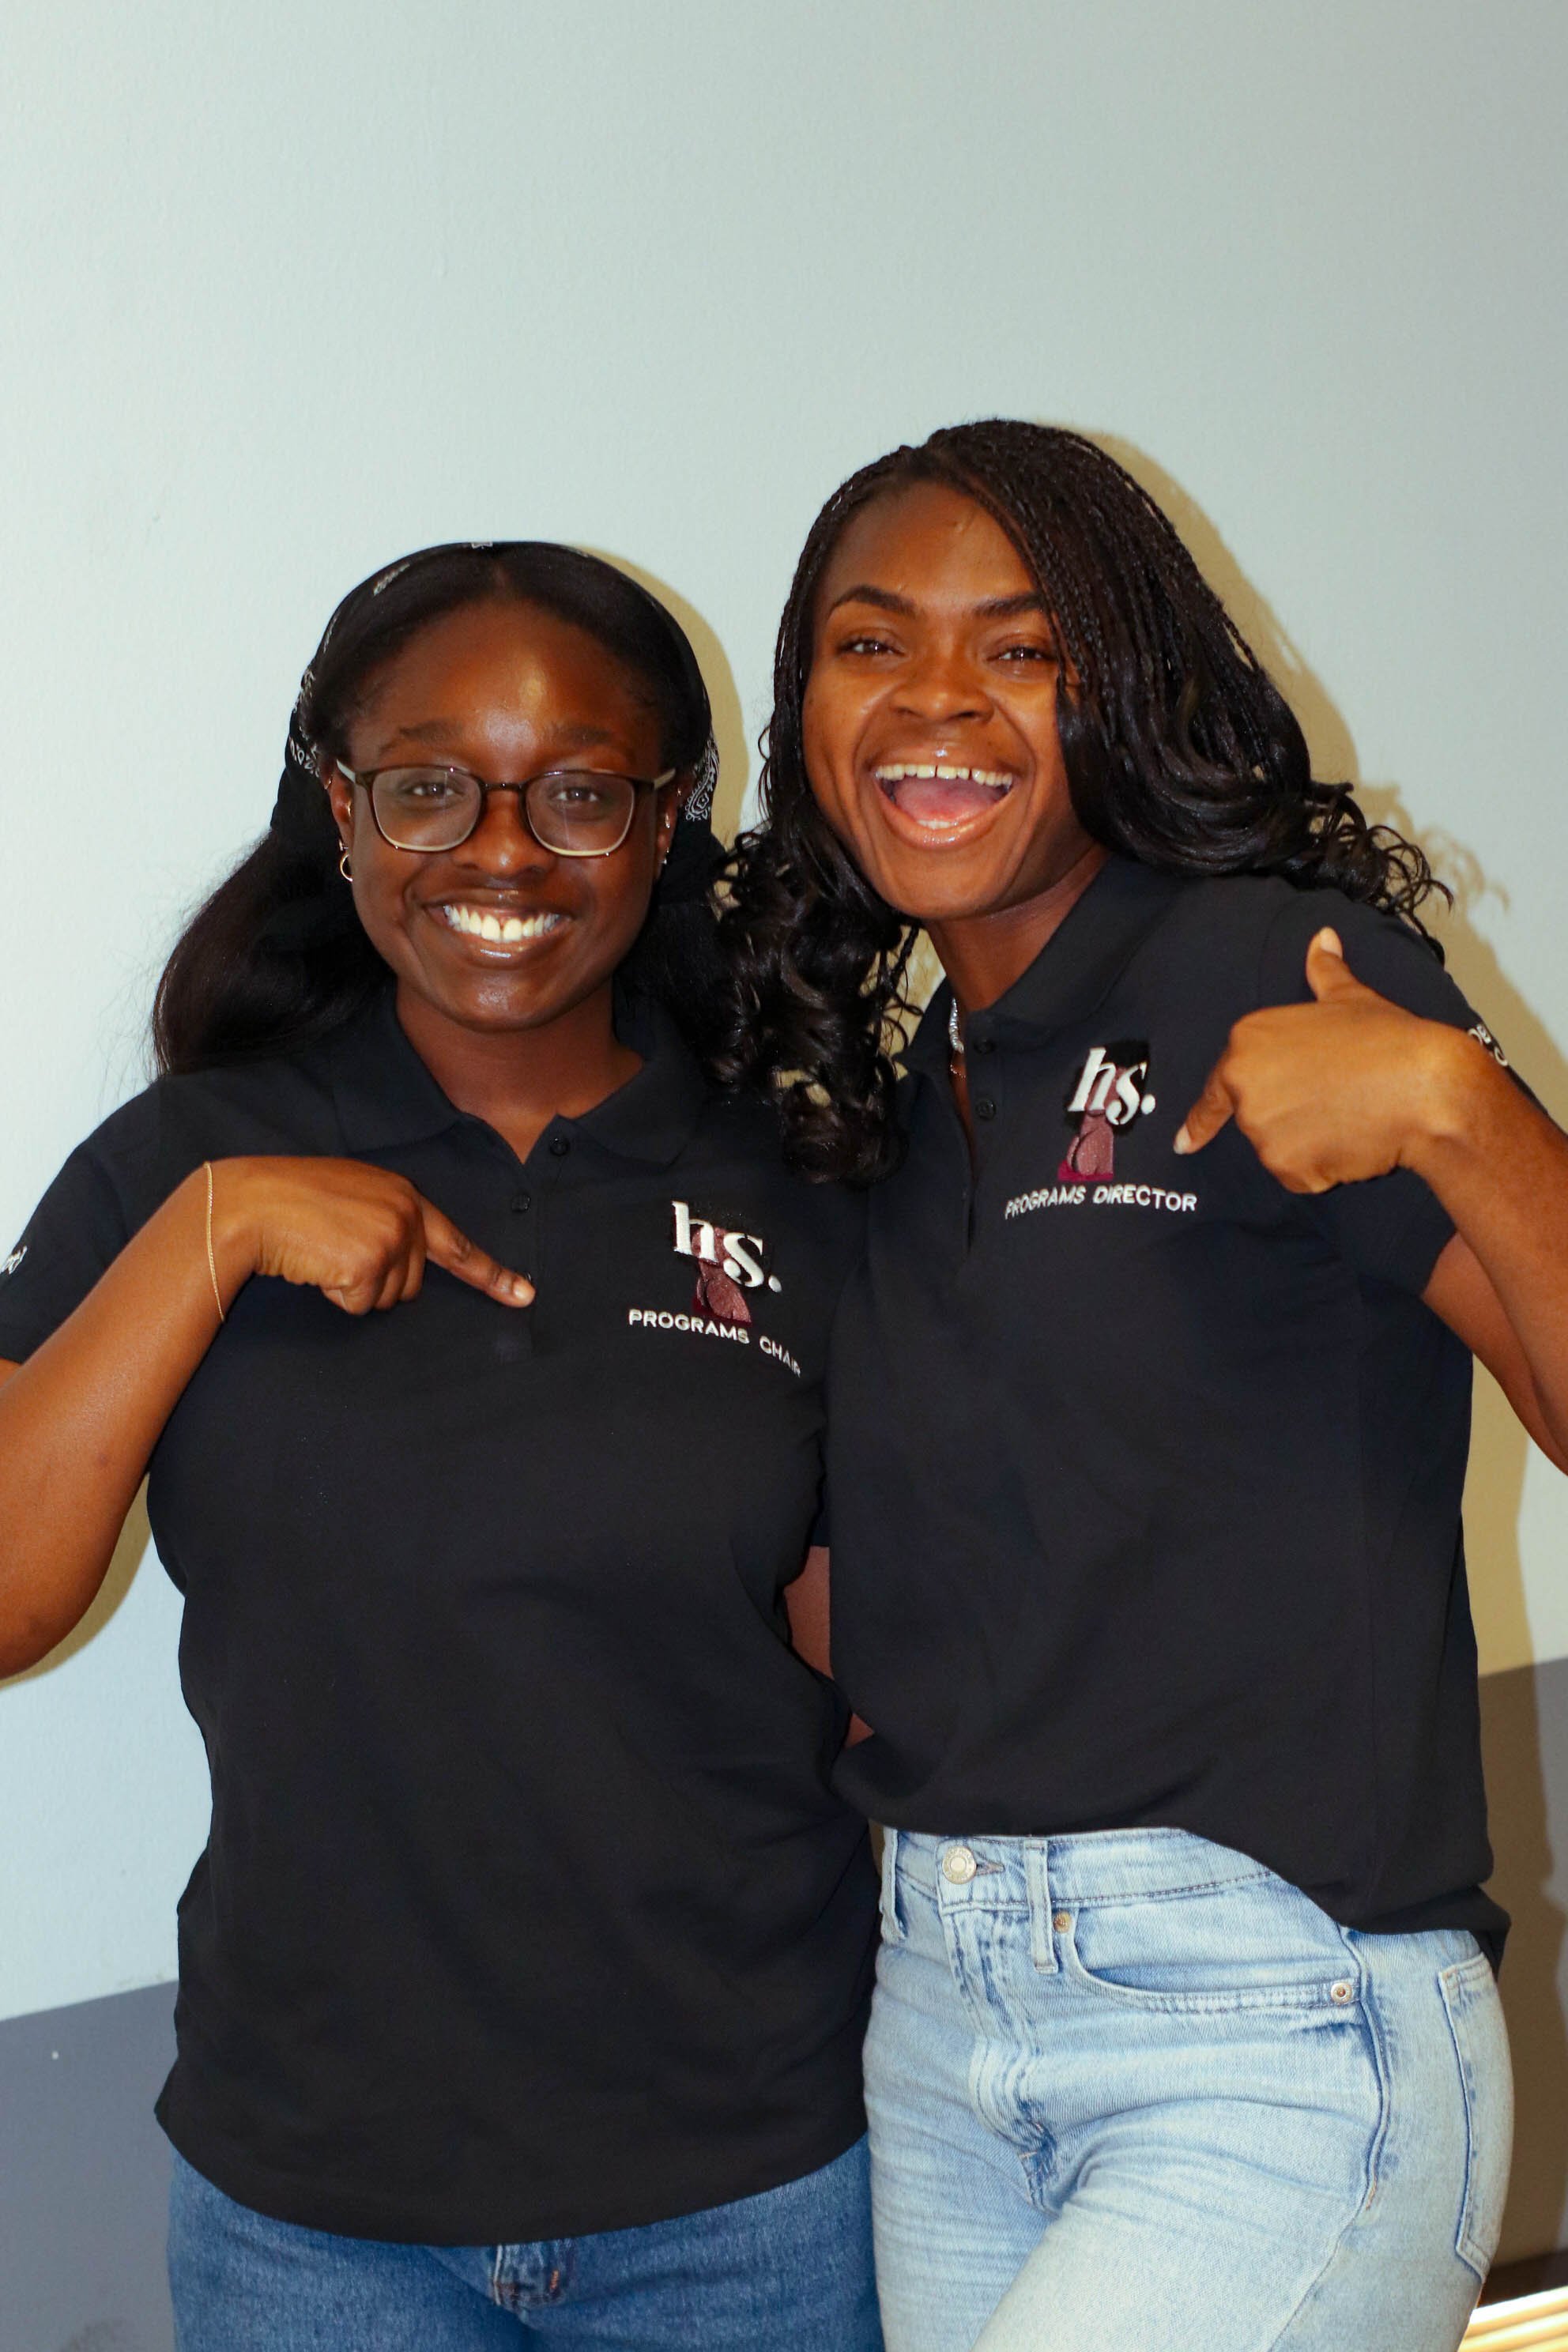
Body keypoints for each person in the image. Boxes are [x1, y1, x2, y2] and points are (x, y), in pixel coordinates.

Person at [718, 422, 1568, 2352]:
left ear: (1124, 693)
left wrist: (1456, 1109)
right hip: (934, 2026)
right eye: (872, 646)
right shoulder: (894, 1088)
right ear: (808, 705)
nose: (938, 699)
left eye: (1019, 648)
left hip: (1267, 2026)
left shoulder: (1271, 977)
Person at [0, 542, 883, 2352]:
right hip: (314, 2217)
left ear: (669, 818)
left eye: (576, 792)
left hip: (749, 2194)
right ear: (339, 808)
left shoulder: (793, 1182)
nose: (498, 851)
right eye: (425, 787)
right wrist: (212, 1233)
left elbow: (872, 1671)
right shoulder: (180, 1166)